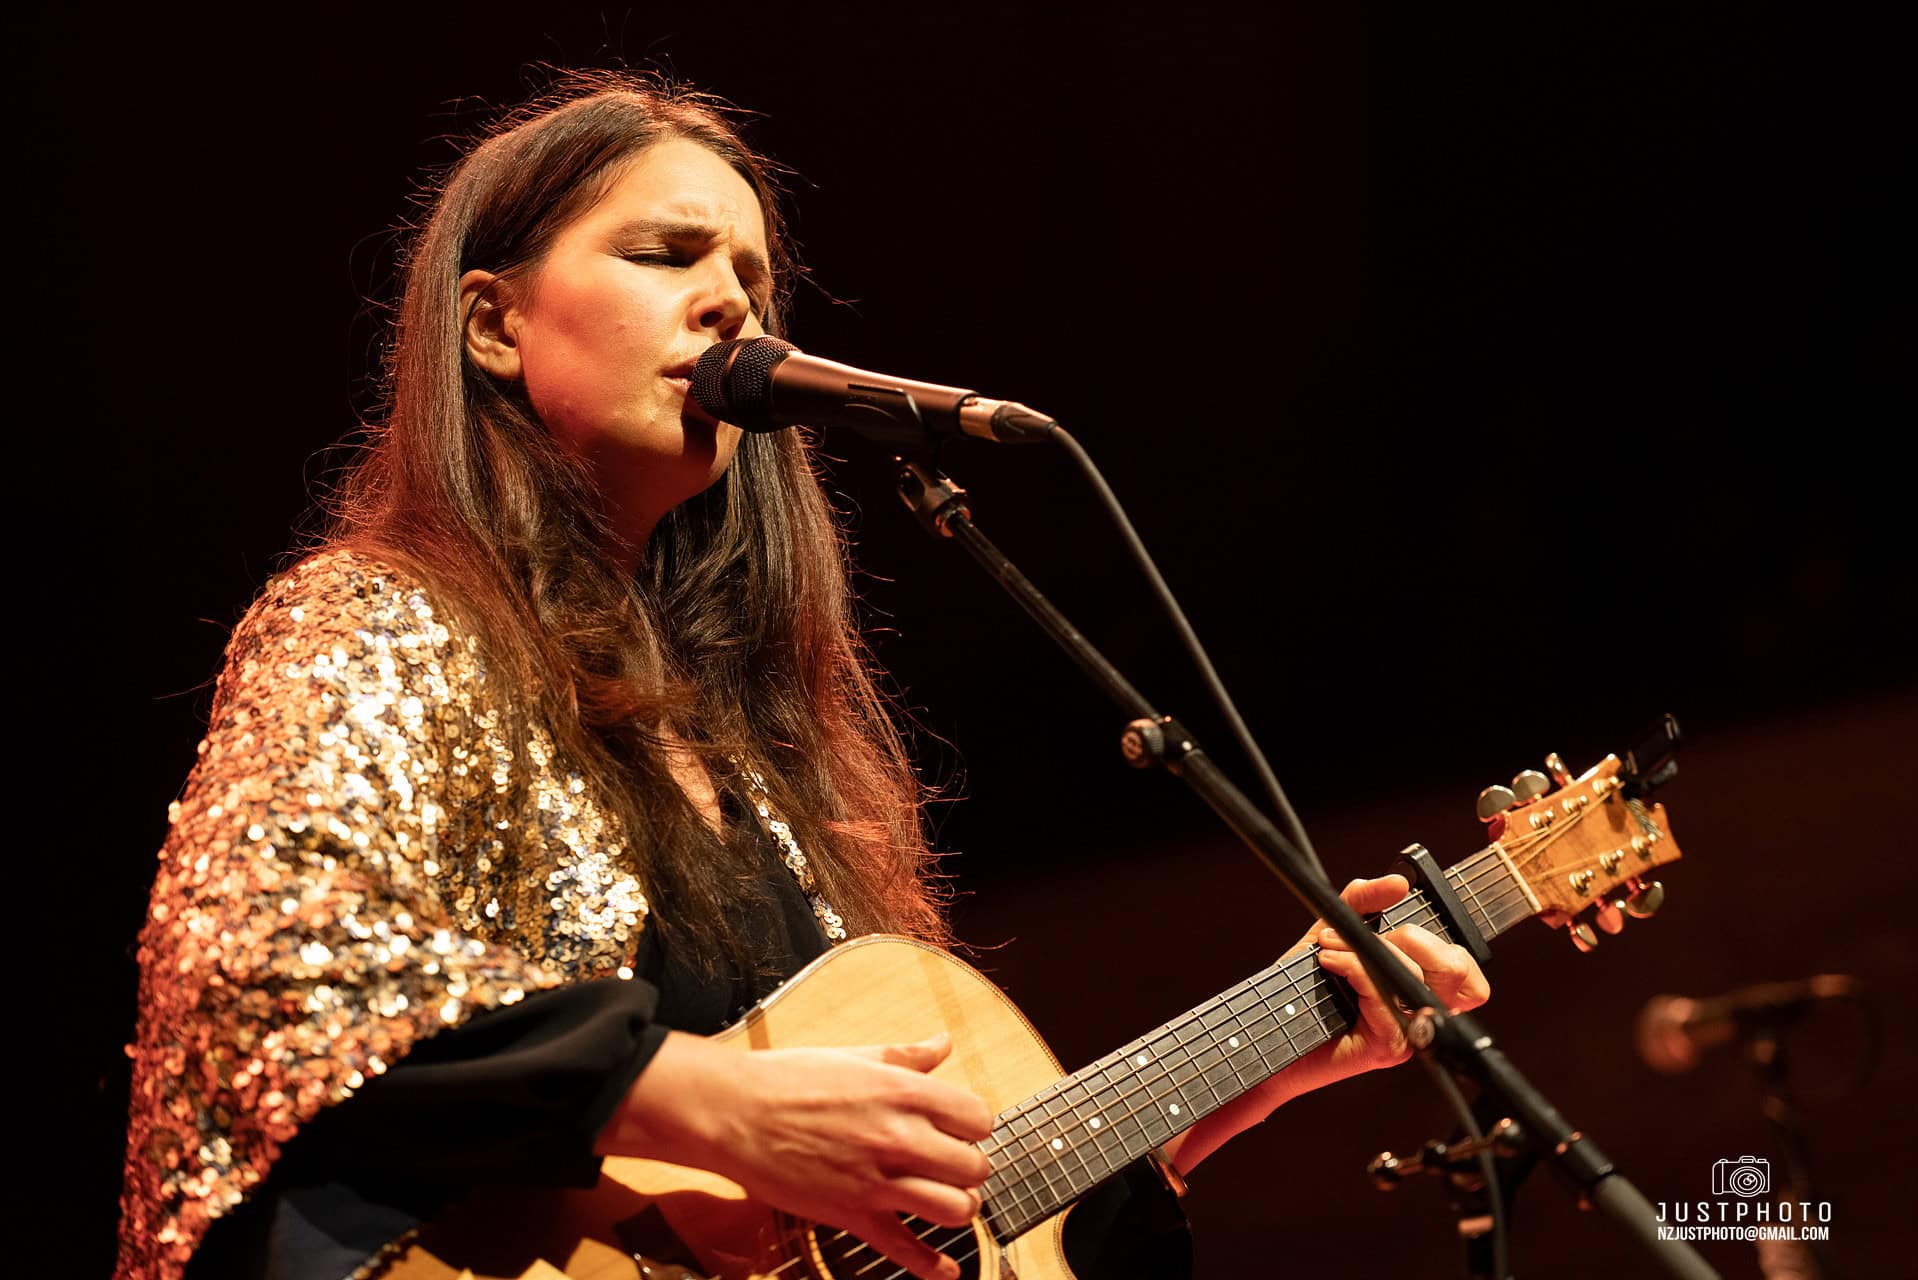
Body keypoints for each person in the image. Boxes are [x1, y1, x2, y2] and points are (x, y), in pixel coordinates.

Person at [116, 72, 1490, 1280]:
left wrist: (1262, 1070)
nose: (730, 299)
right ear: (492, 325)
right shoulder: (379, 617)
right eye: (665, 253)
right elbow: (265, 969)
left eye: (751, 278)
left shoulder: (757, 758)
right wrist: (722, 1107)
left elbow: (916, 1229)